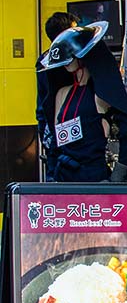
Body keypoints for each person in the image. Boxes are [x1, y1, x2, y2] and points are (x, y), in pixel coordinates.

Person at [37, 17, 127, 182]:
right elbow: (55, 139)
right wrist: (52, 174)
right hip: (63, 174)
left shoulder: (99, 95)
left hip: (93, 176)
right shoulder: (62, 93)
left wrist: (119, 174)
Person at [36, 12, 78, 181]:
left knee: (54, 182)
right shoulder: (69, 61)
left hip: (49, 129)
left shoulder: (43, 60)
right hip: (68, 129)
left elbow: (42, 102)